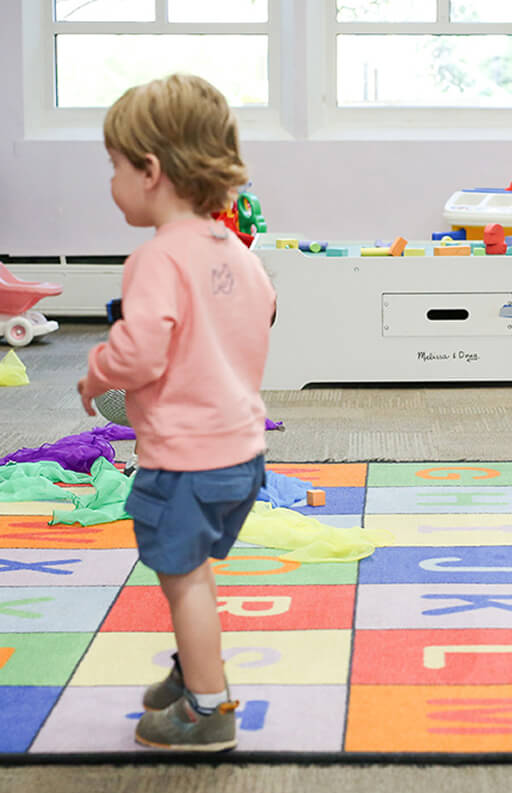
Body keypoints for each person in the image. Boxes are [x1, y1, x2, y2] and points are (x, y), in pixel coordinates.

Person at [77, 73, 276, 751]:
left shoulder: (157, 256)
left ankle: (207, 710)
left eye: (115, 166)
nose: (112, 181)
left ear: (151, 171)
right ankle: (192, 667)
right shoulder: (238, 255)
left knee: (184, 580)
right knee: (193, 571)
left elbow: (139, 354)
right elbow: (257, 324)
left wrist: (96, 370)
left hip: (186, 462)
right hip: (242, 456)